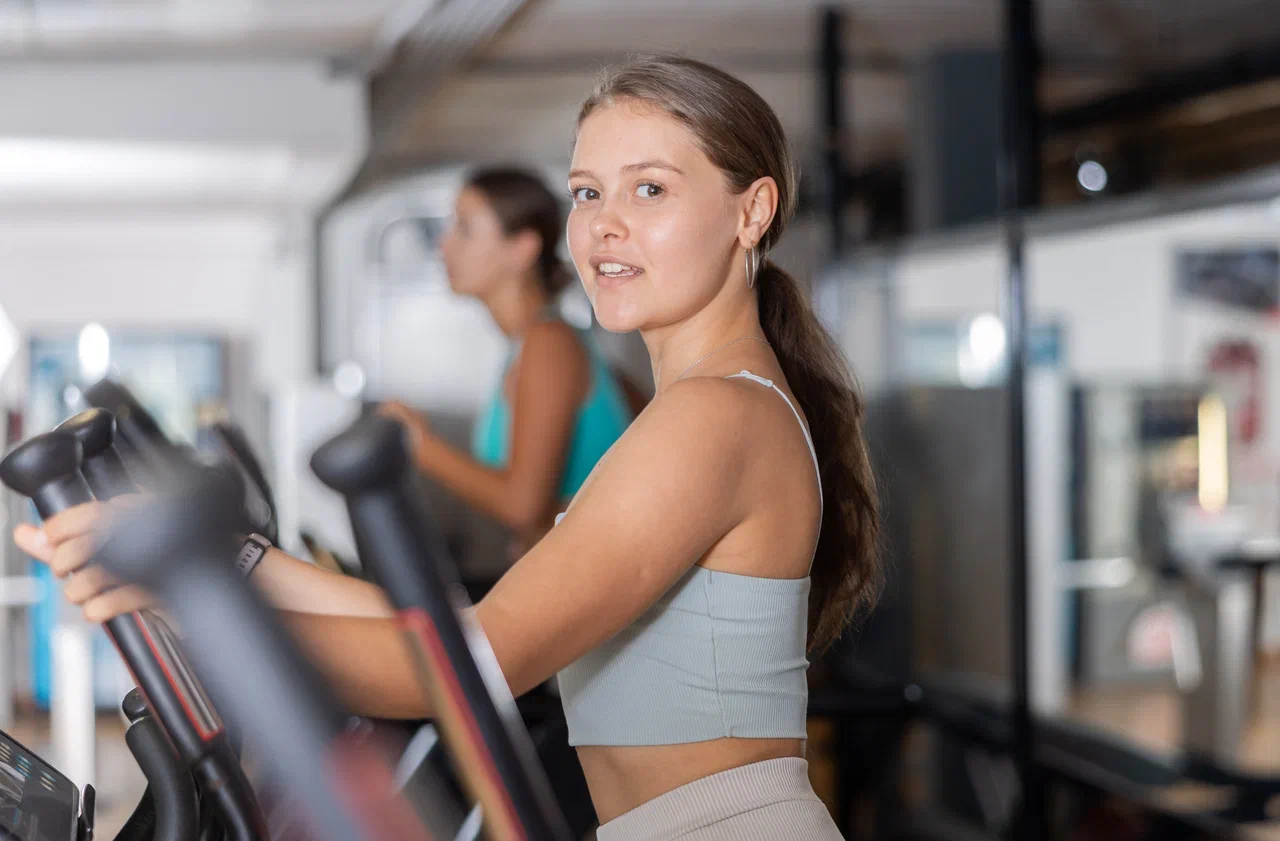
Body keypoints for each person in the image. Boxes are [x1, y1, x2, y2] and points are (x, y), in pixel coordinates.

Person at [19, 54, 881, 841]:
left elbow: (470, 667)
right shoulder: (699, 408)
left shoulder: (714, 417)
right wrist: (229, 562)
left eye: (649, 190)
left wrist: (199, 603)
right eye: (587, 193)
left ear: (752, 210)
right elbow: (462, 634)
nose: (606, 225)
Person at [379, 167, 639, 555]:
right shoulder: (534, 342)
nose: (444, 247)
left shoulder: (548, 343)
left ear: (522, 249)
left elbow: (523, 506)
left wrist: (419, 445)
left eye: (464, 229)